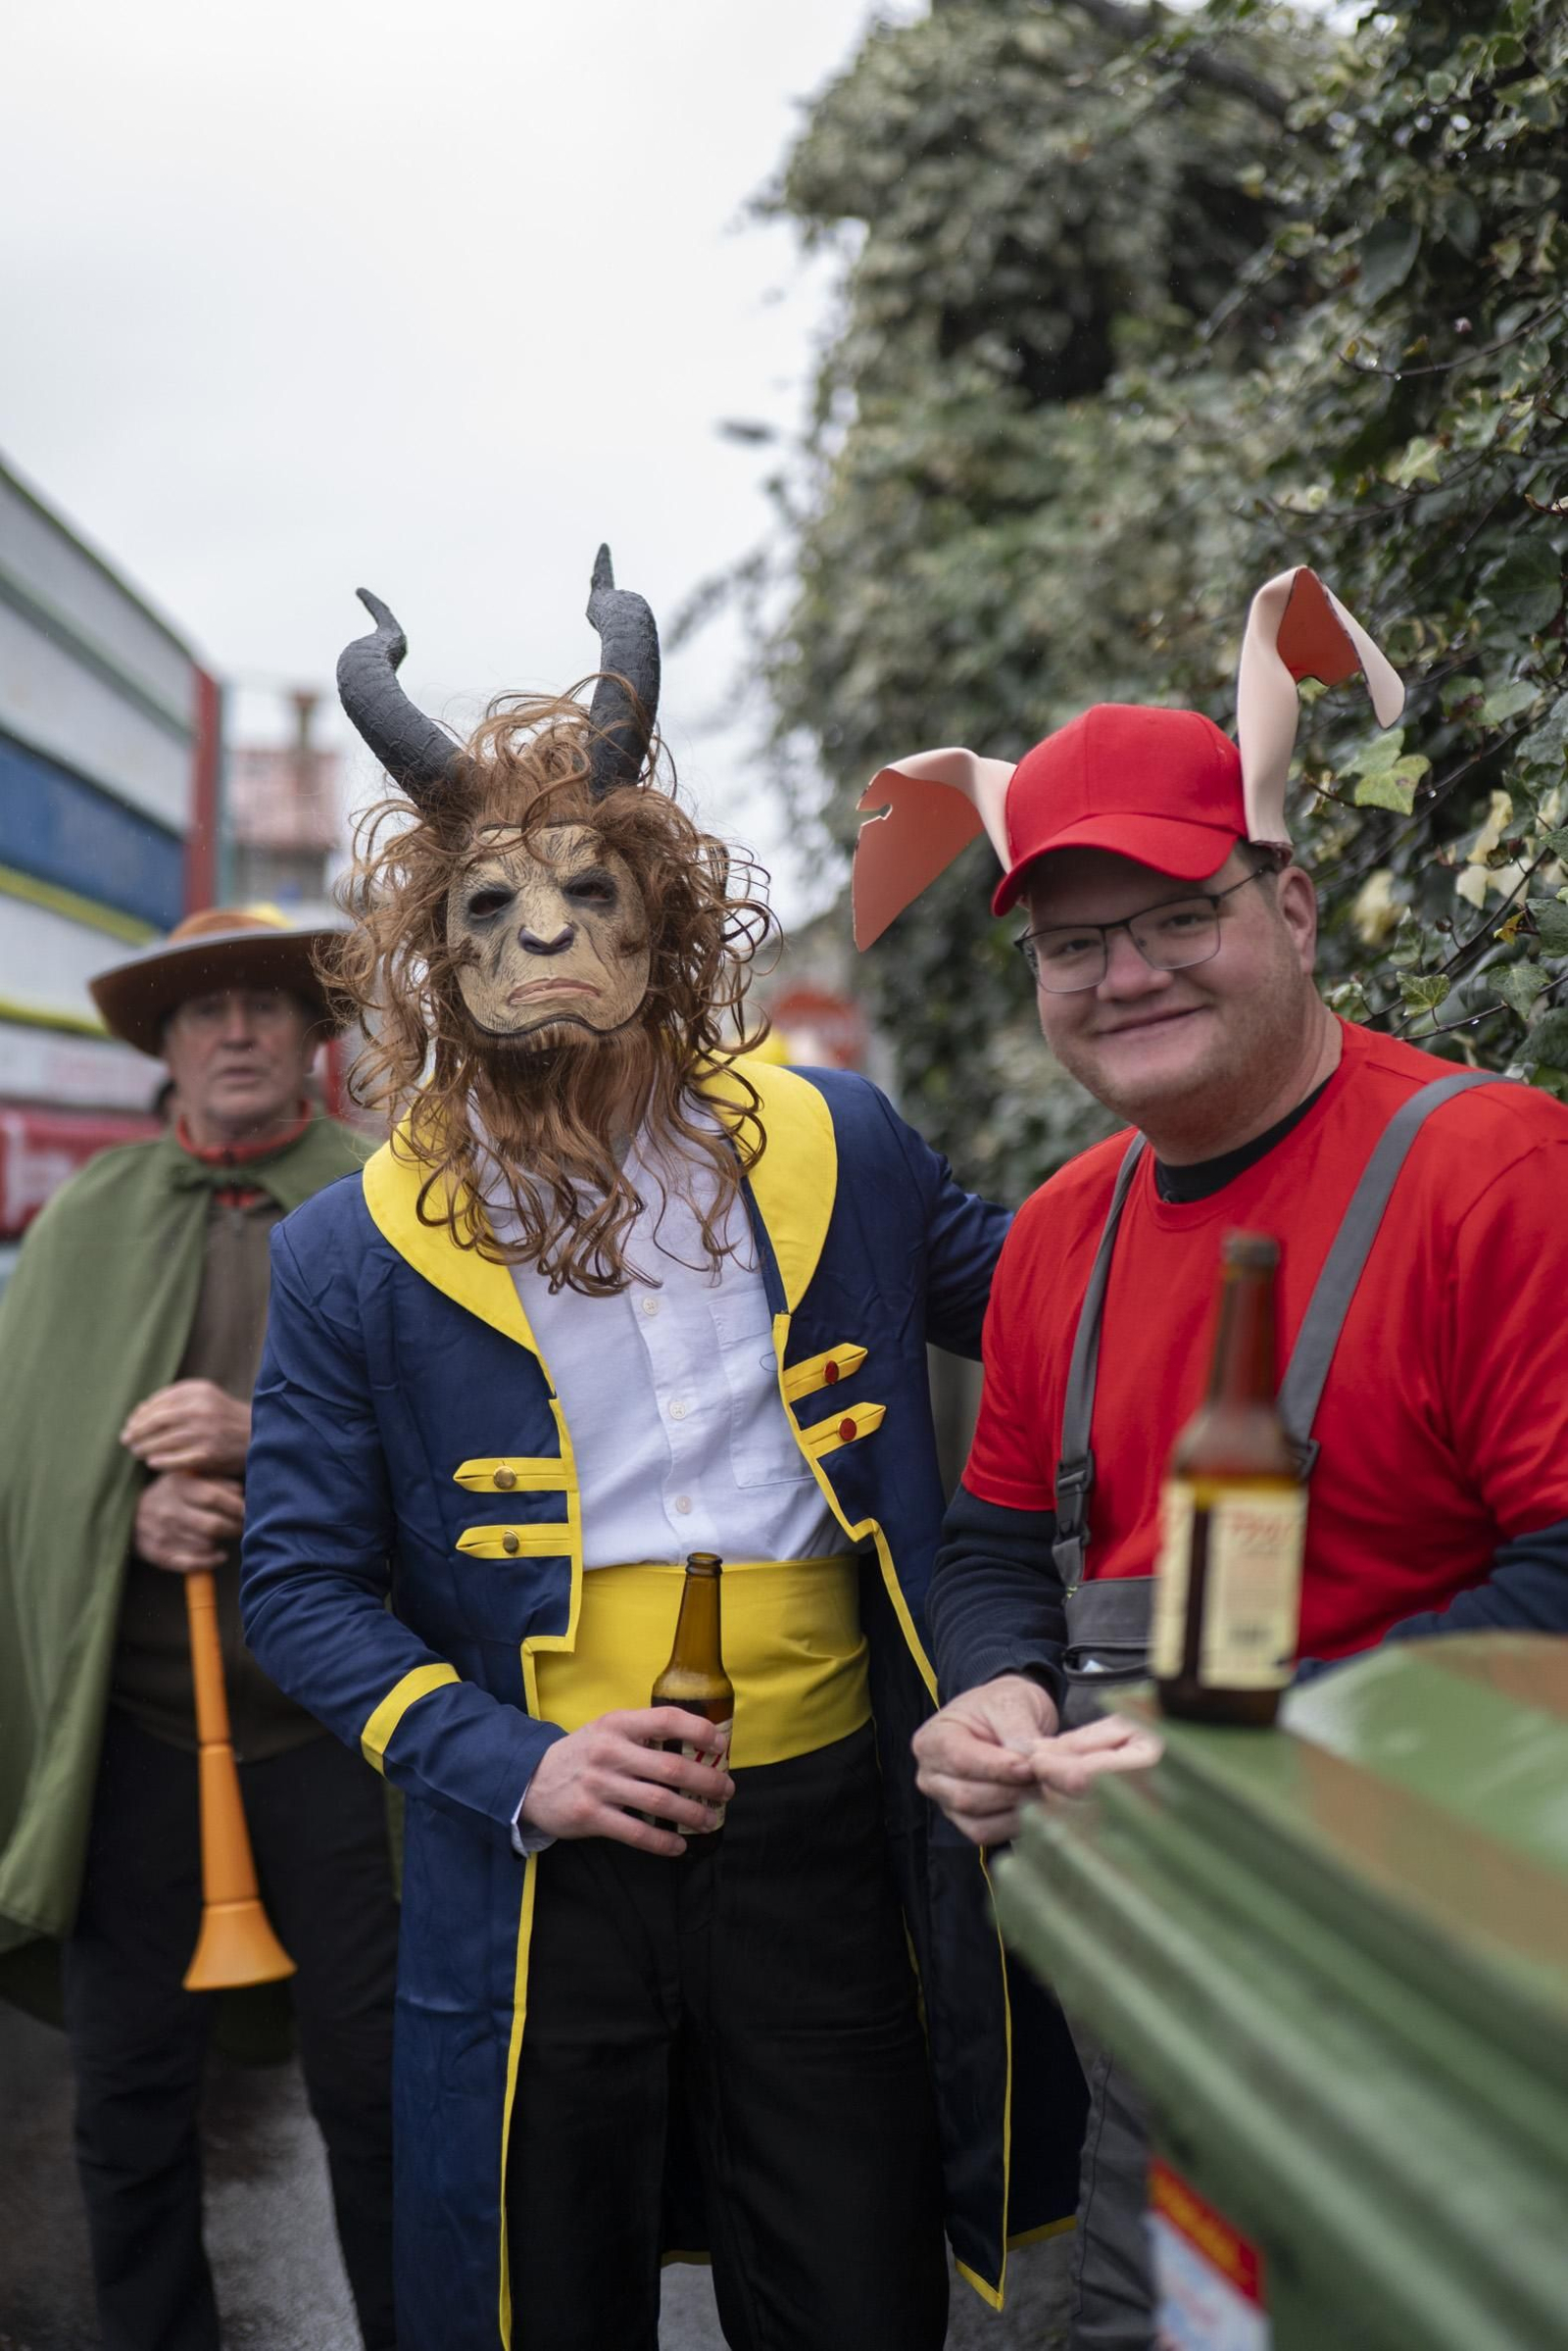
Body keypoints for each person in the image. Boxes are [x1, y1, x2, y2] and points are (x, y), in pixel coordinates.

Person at [238, 552, 1085, 2351]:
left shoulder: (835, 1141)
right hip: (535, 1861)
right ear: (434, 956)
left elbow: (1069, 1311)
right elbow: (296, 1584)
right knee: (538, 2296)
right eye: (489, 908)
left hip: (825, 1833)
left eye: (585, 892)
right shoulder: (347, 1247)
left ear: (666, 916)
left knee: (855, 2292)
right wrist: (505, 1764)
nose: (544, 939)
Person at [853, 567, 1568, 2350]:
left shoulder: (1496, 1174)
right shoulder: (1057, 1240)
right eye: (1072, 942)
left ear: (1296, 907)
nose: (1123, 974)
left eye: (1176, 912)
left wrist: (1266, 1770)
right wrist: (997, 1692)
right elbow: (1002, 1541)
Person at [0, 906, 398, 2351]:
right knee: (129, 2098)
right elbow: (31, 1476)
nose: (234, 1030)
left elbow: (473, 1457)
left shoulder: (393, 1205)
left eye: (264, 1005)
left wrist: (263, 1444)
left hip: (342, 1736)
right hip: (144, 1740)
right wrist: (130, 1521)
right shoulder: (88, 1226)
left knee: (382, 2093)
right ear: (163, 1046)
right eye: (202, 1009)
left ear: (313, 1037)